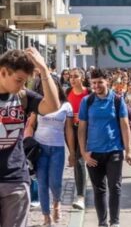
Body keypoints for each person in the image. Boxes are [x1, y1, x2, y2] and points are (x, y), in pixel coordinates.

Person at [0, 48, 60, 227]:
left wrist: (43, 70)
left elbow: (52, 106)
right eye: (18, 80)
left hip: (16, 180)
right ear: (3, 72)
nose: (21, 85)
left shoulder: (23, 96)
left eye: (25, 81)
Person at [78, 68, 131, 227]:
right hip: (93, 153)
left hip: (114, 151)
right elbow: (82, 128)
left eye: (99, 83)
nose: (96, 86)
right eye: (93, 83)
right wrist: (83, 152)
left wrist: (128, 151)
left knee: (115, 187)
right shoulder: (87, 101)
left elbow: (125, 126)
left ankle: (114, 222)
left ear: (107, 82)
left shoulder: (117, 100)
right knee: (99, 189)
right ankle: (102, 223)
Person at [28, 80, 73, 226]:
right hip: (40, 147)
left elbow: (69, 130)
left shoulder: (66, 105)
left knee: (55, 182)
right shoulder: (40, 103)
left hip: (58, 148)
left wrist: (72, 152)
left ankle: (57, 202)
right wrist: (26, 146)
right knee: (42, 183)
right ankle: (46, 216)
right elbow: (31, 124)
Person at [65, 68, 91, 210]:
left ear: (82, 78)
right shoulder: (67, 92)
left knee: (81, 160)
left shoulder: (89, 93)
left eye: (75, 76)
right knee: (76, 160)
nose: (72, 79)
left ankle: (80, 196)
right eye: (70, 77)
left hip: (87, 130)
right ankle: (81, 192)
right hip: (70, 130)